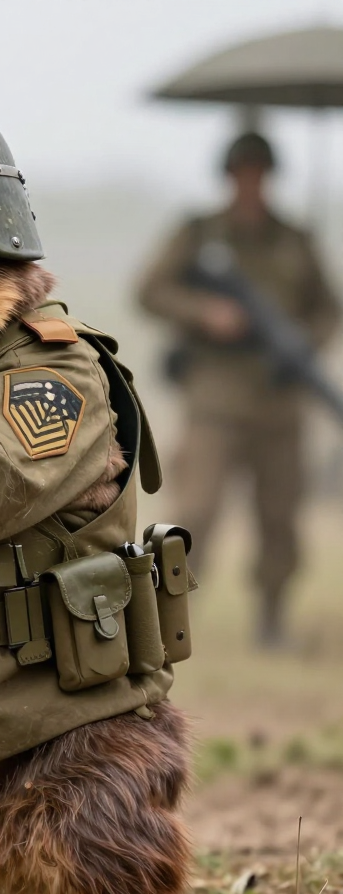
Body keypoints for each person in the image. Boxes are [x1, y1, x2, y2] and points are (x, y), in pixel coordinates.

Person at [137, 131, 340, 646]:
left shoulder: (295, 238)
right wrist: (205, 313)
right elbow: (150, 290)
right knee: (197, 512)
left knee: (281, 518)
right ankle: (170, 620)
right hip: (216, 400)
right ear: (229, 176)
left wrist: (298, 344)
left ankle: (271, 622)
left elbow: (327, 308)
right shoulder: (200, 234)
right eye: (243, 172)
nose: (251, 183)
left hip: (279, 403)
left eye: (260, 173)